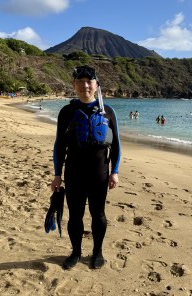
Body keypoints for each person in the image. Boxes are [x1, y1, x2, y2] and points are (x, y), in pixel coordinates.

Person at [50, 65, 121, 270]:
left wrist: (115, 172)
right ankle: (76, 252)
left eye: (89, 82)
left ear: (97, 85)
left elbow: (116, 145)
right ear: (74, 85)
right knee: (75, 215)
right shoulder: (67, 112)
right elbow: (59, 145)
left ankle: (97, 252)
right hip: (74, 173)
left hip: (99, 174)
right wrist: (57, 175)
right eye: (80, 82)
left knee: (98, 214)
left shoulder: (108, 111)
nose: (85, 85)